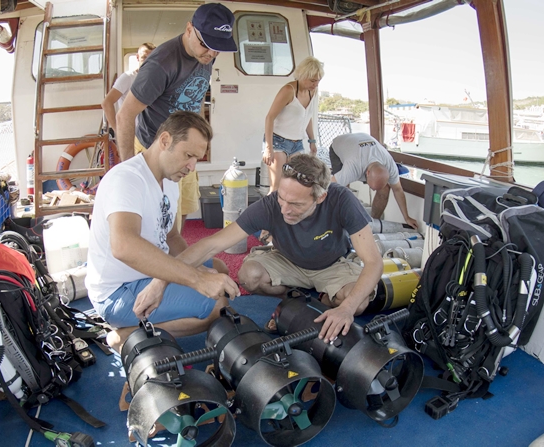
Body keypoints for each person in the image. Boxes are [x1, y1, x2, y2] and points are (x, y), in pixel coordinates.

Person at [147, 154, 384, 344]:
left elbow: (373, 262)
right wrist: (161, 281)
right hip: (287, 261)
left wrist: (347, 309)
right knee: (249, 276)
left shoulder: (341, 200)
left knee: (358, 302)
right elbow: (211, 244)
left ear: (320, 198)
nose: (285, 210)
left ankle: (312, 300)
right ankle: (294, 299)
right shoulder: (270, 206)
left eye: (296, 204)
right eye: (282, 198)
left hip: (332, 265)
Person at [85, 112, 240, 353]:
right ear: (165, 141)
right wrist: (196, 279)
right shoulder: (127, 179)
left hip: (149, 275)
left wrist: (197, 268)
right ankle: (128, 335)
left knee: (219, 269)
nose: (191, 167)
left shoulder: (169, 181)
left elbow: (171, 237)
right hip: (118, 291)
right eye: (188, 156)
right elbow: (123, 245)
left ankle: (147, 324)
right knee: (218, 307)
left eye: (197, 159)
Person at [116, 3, 237, 232]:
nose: (211, 54)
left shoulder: (207, 55)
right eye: (206, 45)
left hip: (185, 147)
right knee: (153, 218)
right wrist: (128, 170)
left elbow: (198, 93)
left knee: (180, 211)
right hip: (154, 149)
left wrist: (201, 137)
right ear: (189, 28)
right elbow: (125, 115)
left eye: (217, 47)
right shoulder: (161, 64)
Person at [330, 132, 418, 230]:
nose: (372, 191)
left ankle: (374, 222)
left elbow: (398, 190)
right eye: (371, 187)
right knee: (342, 190)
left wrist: (406, 217)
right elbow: (328, 187)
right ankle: (343, 223)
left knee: (385, 189)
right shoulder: (352, 168)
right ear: (367, 173)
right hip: (340, 144)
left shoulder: (390, 166)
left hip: (361, 143)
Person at [263, 56, 323, 195]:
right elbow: (269, 117)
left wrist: (312, 141)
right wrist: (268, 148)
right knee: (276, 188)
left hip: (297, 143)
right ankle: (270, 215)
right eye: (313, 80)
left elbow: (307, 116)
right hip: (278, 141)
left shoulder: (312, 91)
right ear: (302, 76)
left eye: (318, 80)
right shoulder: (288, 90)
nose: (316, 84)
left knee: (294, 186)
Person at [101, 43, 155, 136]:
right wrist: (118, 131)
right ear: (137, 57)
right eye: (144, 57)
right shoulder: (127, 77)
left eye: (151, 58)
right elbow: (107, 103)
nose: (148, 61)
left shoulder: (158, 79)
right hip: (133, 135)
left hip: (152, 134)